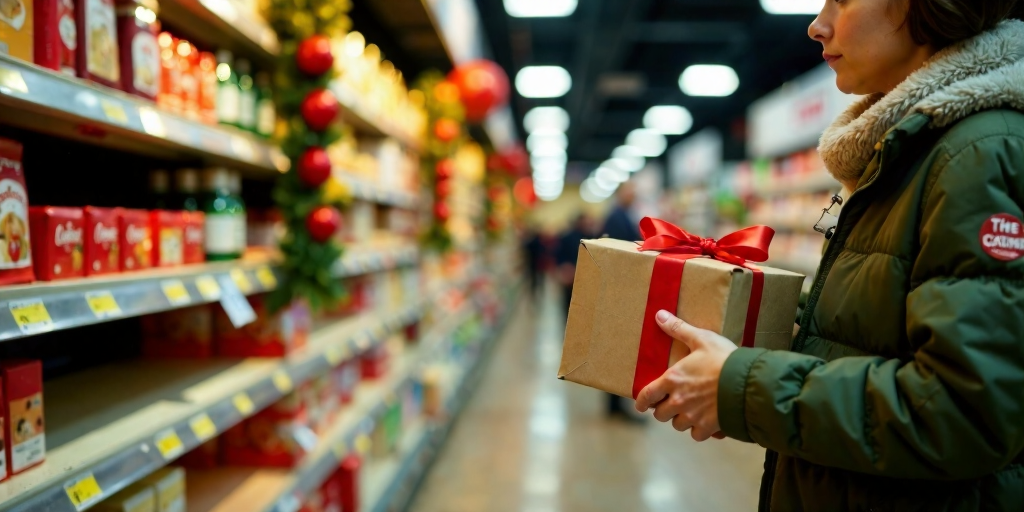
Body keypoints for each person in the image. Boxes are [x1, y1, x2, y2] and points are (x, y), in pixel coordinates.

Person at [633, 1, 1024, 511]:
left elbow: (968, 412)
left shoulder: (978, 153)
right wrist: (754, 321)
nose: (817, 25)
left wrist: (741, 388)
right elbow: (872, 337)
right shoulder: (909, 150)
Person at [555, 215, 591, 318]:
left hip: (584, 278)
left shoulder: (590, 237)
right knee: (569, 304)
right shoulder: (567, 237)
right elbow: (559, 256)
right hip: (570, 277)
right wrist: (564, 268)